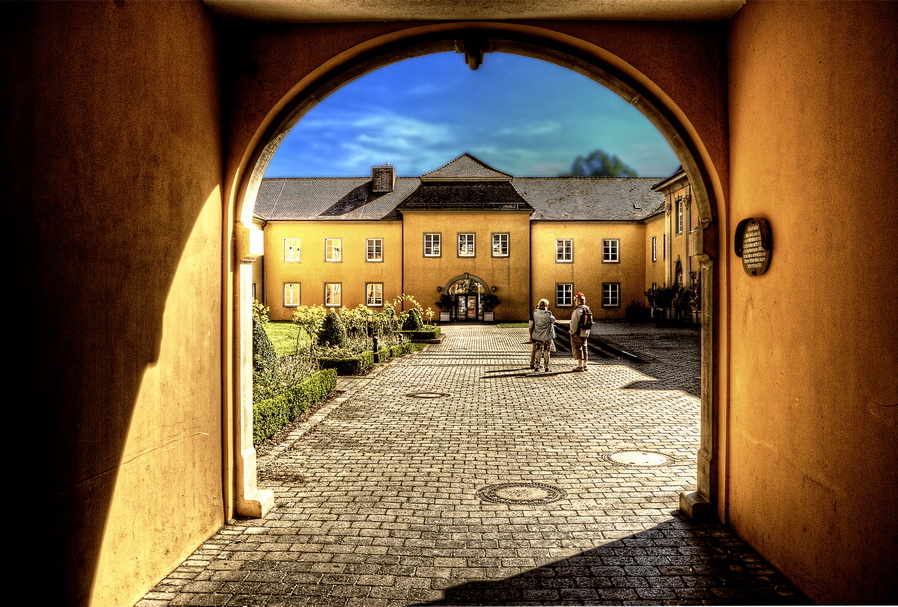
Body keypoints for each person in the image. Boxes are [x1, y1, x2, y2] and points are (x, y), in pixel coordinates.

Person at [530, 298, 556, 372]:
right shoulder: (548, 314)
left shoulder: (535, 313)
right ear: (546, 305)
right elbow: (553, 321)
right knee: (546, 351)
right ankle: (546, 367)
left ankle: (537, 366)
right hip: (547, 335)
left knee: (538, 350)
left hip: (537, 335)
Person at [569, 292, 592, 371]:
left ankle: (580, 366)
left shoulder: (577, 311)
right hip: (586, 332)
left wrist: (572, 332)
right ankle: (585, 365)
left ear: (578, 301)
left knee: (578, 348)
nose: (575, 302)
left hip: (577, 332)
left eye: (575, 300)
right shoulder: (587, 309)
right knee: (585, 347)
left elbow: (574, 323)